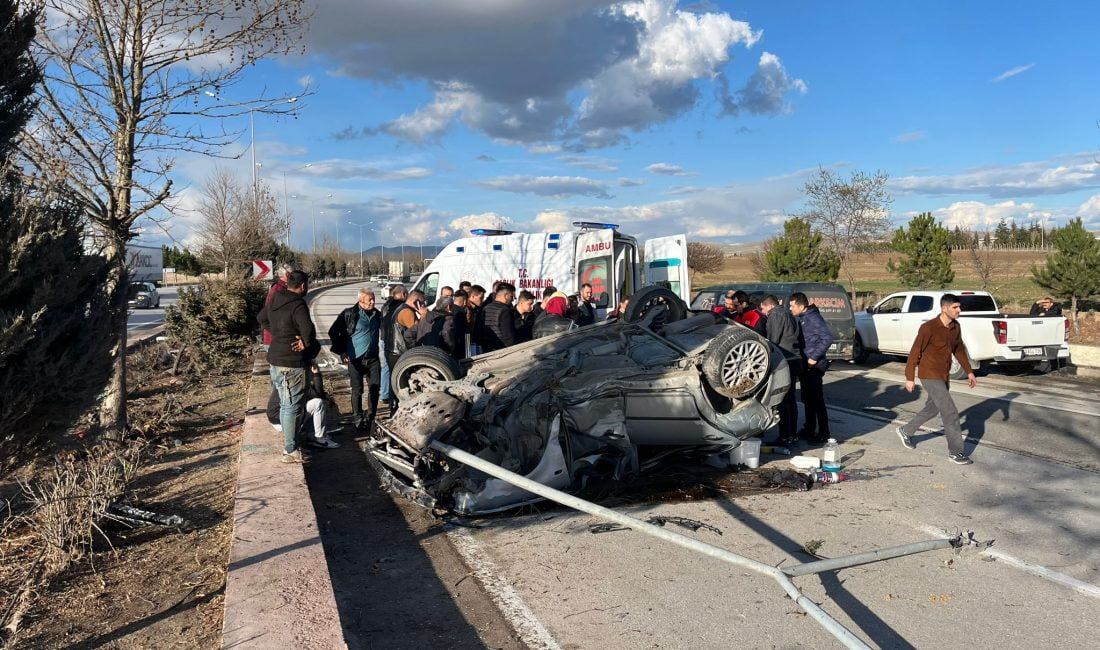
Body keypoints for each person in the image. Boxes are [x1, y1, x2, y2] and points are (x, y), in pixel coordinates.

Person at [896, 294, 977, 465]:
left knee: (932, 409)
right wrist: (909, 377)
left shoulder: (955, 327)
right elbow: (914, 353)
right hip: (929, 374)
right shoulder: (928, 327)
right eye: (955, 307)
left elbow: (959, 350)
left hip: (943, 375)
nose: (959, 310)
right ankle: (956, 452)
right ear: (944, 308)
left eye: (959, 307)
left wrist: (969, 371)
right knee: (950, 412)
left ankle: (906, 431)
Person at [258, 270, 319, 464]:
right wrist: (305, 342)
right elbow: (308, 330)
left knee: (285, 404)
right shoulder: (297, 303)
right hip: (292, 362)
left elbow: (261, 318)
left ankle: (290, 444)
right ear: (303, 286)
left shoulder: (276, 298)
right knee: (292, 406)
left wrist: (279, 332)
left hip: (275, 359)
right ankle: (290, 449)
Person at [328, 287, 383, 430]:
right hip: (355, 359)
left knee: (375, 388)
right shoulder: (349, 314)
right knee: (357, 390)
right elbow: (333, 332)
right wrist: (342, 351)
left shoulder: (377, 315)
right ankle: (357, 417)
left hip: (373, 358)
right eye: (369, 299)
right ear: (360, 301)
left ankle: (371, 417)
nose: (372, 302)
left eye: (373, 299)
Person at [789, 292, 833, 444]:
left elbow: (827, 338)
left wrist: (814, 357)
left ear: (801, 306)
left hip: (814, 365)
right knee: (807, 399)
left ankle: (824, 432)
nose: (790, 309)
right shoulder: (803, 318)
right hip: (805, 364)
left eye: (792, 306)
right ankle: (809, 428)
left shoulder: (813, 318)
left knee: (816, 400)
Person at [759, 295, 802, 449]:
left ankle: (785, 436)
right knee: (791, 400)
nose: (763, 312)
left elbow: (773, 340)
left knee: (782, 399)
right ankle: (792, 435)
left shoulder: (775, 315)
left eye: (763, 308)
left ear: (769, 306)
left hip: (786, 360)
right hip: (795, 358)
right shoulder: (788, 314)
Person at [267, 363, 339, 449]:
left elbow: (312, 392)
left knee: (310, 402)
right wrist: (316, 374)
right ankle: (319, 438)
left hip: (276, 418)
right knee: (318, 403)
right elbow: (318, 394)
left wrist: (325, 395)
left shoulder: (289, 372)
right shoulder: (298, 378)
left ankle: (311, 433)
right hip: (282, 422)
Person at [384, 289, 427, 410]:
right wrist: (423, 315)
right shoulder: (407, 312)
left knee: (395, 385)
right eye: (422, 302)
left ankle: (394, 411)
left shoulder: (400, 308)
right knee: (402, 388)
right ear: (417, 302)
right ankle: (399, 412)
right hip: (400, 353)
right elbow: (418, 332)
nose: (424, 305)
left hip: (393, 351)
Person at [378, 284, 407, 412]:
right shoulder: (398, 307)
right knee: (390, 369)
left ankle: (385, 394)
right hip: (393, 342)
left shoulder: (385, 305)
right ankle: (388, 395)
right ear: (402, 294)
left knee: (386, 368)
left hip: (384, 339)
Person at [262, 263, 294, 349]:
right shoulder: (279, 291)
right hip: (275, 341)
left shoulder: (280, 288)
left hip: (275, 339)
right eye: (292, 275)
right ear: (287, 275)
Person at [480, 282, 518, 352]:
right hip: (501, 351)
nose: (513, 299)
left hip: (486, 350)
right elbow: (508, 337)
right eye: (511, 296)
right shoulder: (505, 311)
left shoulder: (485, 308)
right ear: (506, 295)